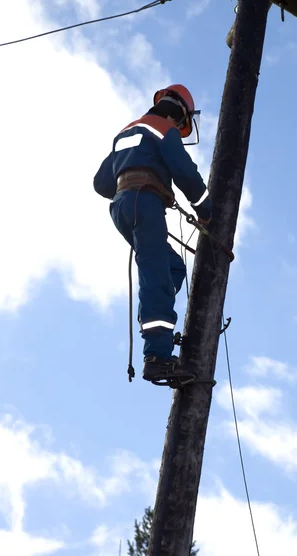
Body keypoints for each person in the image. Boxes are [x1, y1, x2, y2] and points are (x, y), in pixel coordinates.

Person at [93, 84, 212, 383]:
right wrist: (206, 210)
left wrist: (135, 180)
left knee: (171, 268)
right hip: (142, 204)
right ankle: (157, 357)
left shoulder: (126, 133)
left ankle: (155, 328)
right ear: (180, 114)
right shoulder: (163, 129)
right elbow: (185, 172)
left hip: (123, 207)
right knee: (157, 276)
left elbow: (101, 183)